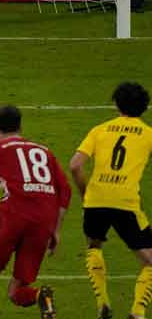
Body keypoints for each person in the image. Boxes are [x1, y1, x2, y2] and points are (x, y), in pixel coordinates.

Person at [0, 105, 69, 319]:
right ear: (20, 126)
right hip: (43, 221)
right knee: (16, 292)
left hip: (13, 216)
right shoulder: (45, 151)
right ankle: (39, 296)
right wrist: (56, 229)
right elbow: (65, 190)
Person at [70, 82, 152, 319]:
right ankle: (137, 313)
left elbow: (75, 166)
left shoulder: (100, 129)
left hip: (96, 199)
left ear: (116, 104)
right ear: (144, 107)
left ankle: (103, 304)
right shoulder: (148, 134)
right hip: (125, 201)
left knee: (94, 246)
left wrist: (86, 194)